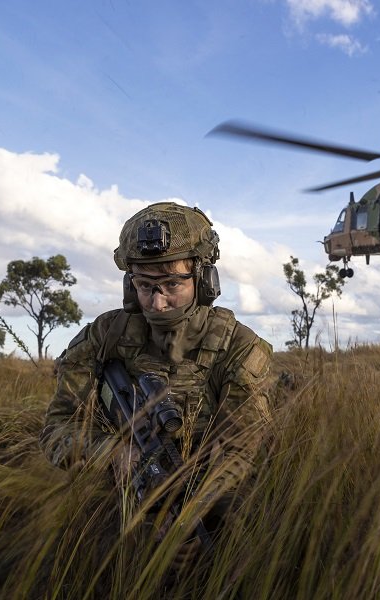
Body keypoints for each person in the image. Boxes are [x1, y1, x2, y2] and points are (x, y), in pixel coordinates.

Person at [39, 201, 272, 561]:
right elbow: (57, 426)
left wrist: (189, 514)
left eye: (172, 284)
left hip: (209, 501)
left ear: (204, 280)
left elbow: (244, 451)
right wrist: (112, 454)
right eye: (144, 285)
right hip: (116, 501)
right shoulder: (106, 335)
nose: (157, 302)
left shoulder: (237, 346)